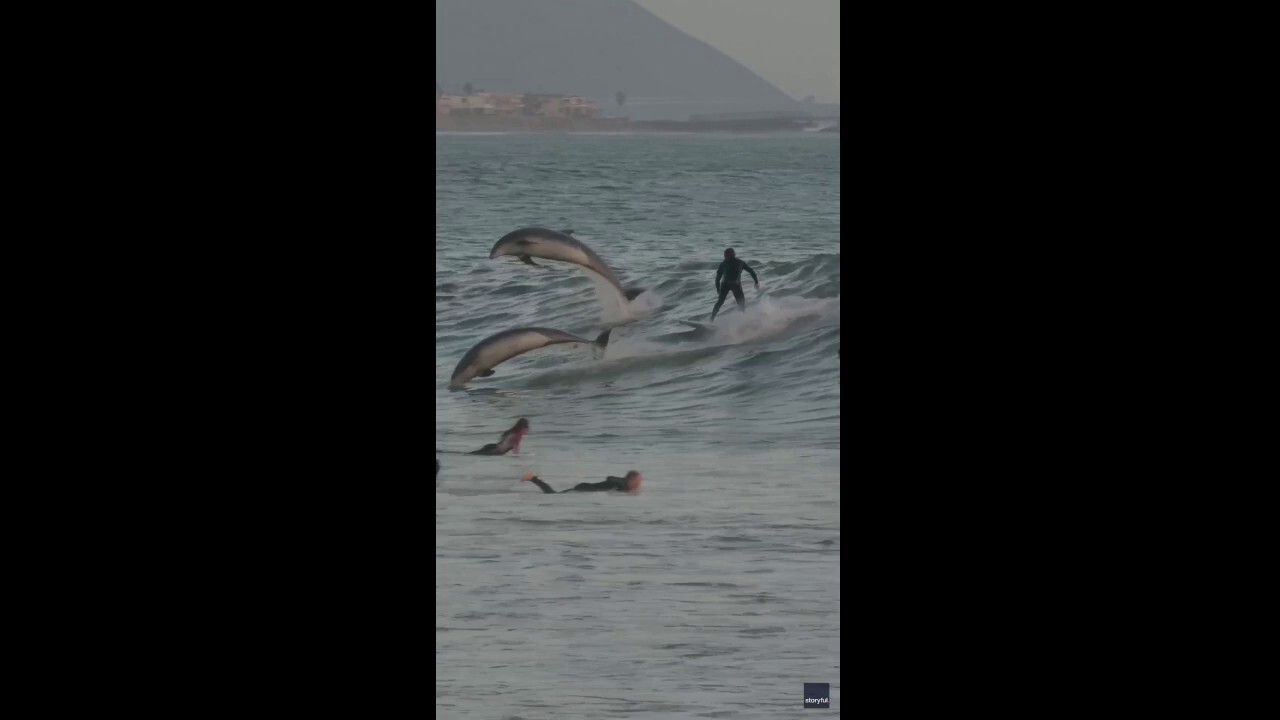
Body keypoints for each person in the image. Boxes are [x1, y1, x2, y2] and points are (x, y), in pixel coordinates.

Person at [710, 247, 759, 321]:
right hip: (735, 284)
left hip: (726, 284)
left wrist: (718, 288)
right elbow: (751, 271)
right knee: (741, 303)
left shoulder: (724, 263)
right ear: (734, 254)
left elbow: (717, 279)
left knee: (720, 302)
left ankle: (711, 320)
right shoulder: (740, 262)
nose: (726, 256)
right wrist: (756, 282)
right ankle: (743, 319)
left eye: (726, 255)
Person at [520, 470, 642, 494]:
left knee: (553, 494)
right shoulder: (623, 485)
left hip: (583, 489)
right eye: (638, 480)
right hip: (582, 490)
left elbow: (611, 479)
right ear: (631, 479)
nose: (640, 483)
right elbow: (611, 479)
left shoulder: (622, 484)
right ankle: (533, 478)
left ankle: (534, 478)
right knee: (552, 495)